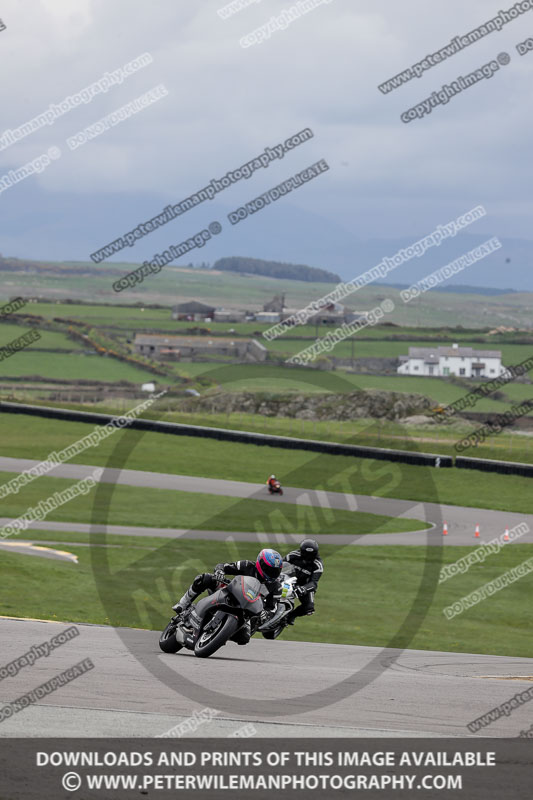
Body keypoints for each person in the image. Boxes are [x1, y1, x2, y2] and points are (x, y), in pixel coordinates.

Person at [172, 548, 284, 644]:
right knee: (205, 578)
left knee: (243, 638)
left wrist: (266, 614)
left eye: (275, 571)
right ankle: (183, 603)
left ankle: (219, 634)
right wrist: (220, 572)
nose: (271, 573)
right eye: (268, 569)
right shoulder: (247, 565)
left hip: (247, 612)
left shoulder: (276, 587)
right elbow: (223, 566)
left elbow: (272, 608)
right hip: (232, 592)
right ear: (260, 563)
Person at [283, 539, 323, 626]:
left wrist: (304, 589)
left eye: (311, 555)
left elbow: (314, 583)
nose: (307, 559)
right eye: (305, 555)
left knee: (309, 608)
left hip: (304, 585)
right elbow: (280, 566)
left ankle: (291, 615)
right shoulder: (292, 555)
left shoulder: (318, 565)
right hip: (287, 579)